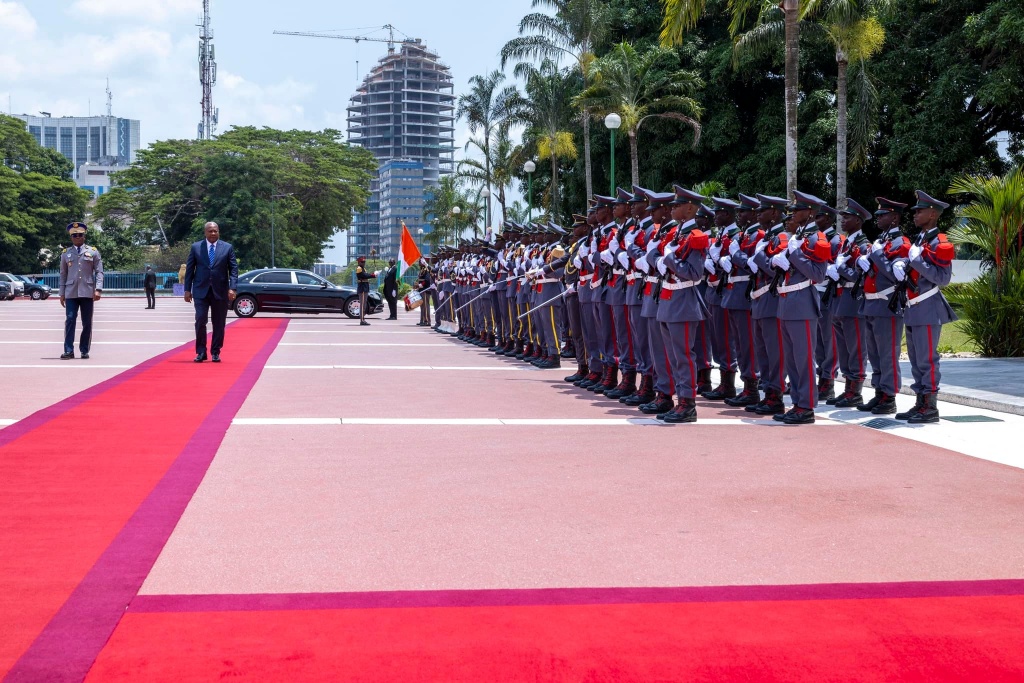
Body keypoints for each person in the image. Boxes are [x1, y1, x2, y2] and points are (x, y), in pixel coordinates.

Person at [184, 222, 238, 362]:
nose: (213, 233)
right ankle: (201, 352)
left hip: (220, 291)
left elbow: (233, 269)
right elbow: (190, 270)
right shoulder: (196, 247)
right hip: (200, 291)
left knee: (219, 323)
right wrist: (187, 290)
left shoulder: (227, 248)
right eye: (210, 231)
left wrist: (232, 288)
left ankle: (215, 352)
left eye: (215, 231)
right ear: (205, 232)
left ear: (218, 231)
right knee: (200, 320)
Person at [58, 222, 103, 360]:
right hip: (71, 292)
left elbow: (99, 272)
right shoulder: (66, 253)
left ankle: (84, 350)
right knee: (70, 320)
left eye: (80, 235)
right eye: (75, 235)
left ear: (84, 236)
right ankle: (68, 350)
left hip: (87, 291)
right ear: (71, 237)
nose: (78, 237)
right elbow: (63, 274)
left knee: (87, 322)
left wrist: (98, 289)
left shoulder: (93, 252)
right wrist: (61, 293)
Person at [355, 256, 378, 326]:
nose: (363, 263)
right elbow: (364, 275)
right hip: (362, 288)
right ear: (359, 262)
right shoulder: (359, 268)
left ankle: (363, 319)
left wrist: (374, 274)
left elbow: (366, 275)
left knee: (364, 304)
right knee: (362, 305)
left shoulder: (363, 268)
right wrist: (373, 275)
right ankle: (362, 320)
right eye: (362, 262)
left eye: (364, 262)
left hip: (365, 288)